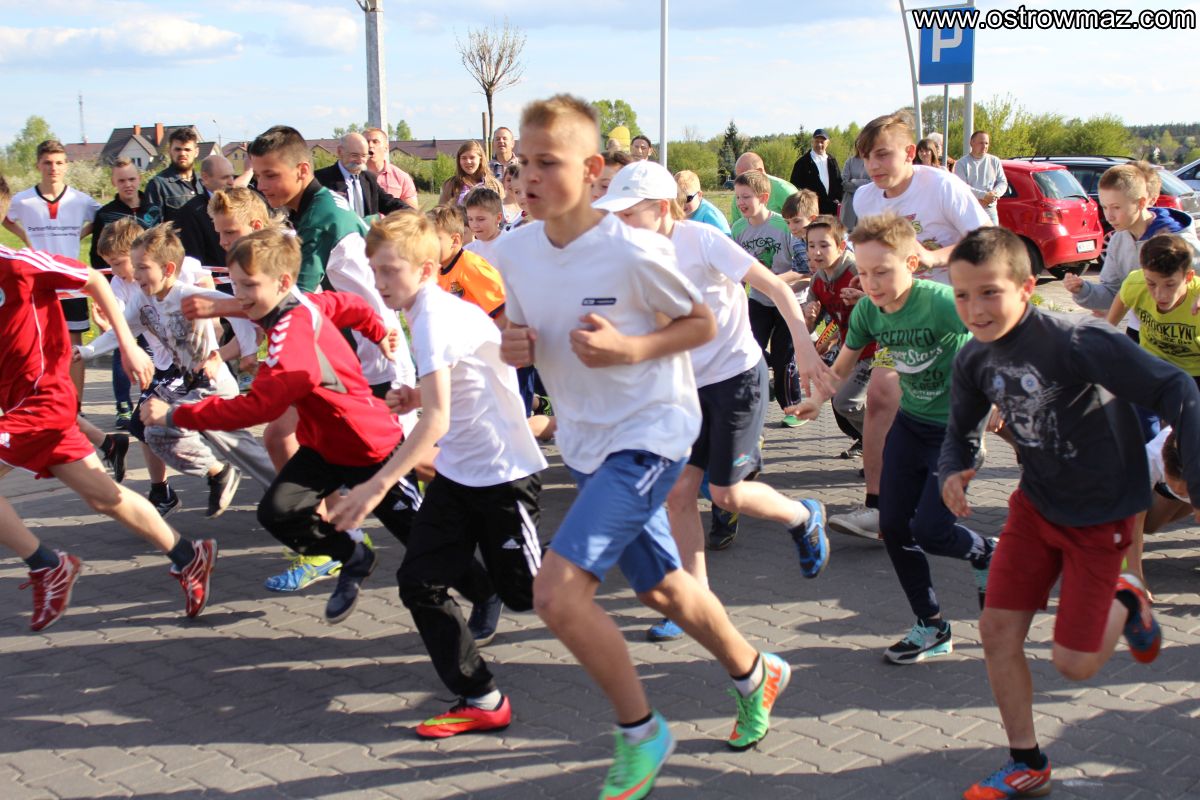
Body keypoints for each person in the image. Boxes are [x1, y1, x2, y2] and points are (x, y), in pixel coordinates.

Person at [495, 94, 796, 800]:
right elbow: (523, 334)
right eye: (522, 163)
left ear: (591, 170)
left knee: (557, 594)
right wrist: (515, 345)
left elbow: (698, 323)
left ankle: (641, 732)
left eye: (547, 162)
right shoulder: (513, 249)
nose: (529, 176)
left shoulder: (633, 249)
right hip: (586, 443)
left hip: (652, 433)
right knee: (663, 588)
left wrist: (630, 348)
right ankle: (756, 671)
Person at [939, 225, 1200, 800]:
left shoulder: (1079, 342)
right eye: (962, 295)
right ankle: (1027, 763)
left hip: (1102, 516)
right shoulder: (974, 359)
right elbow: (959, 431)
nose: (975, 310)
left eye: (989, 293)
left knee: (1075, 665)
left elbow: (1178, 387)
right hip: (1035, 507)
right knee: (996, 631)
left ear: (1026, 287)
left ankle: (1128, 595)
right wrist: (953, 469)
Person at [140, 228, 433, 623]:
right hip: (324, 446)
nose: (239, 294)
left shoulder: (294, 326)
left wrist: (176, 414)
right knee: (278, 511)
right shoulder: (294, 306)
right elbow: (349, 306)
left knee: (423, 543)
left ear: (280, 281)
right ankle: (352, 555)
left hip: (369, 445)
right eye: (235, 285)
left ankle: (483, 588)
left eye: (247, 285)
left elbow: (258, 406)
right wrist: (378, 332)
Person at [329, 211, 547, 737]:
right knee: (419, 583)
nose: (380, 283)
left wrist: (377, 484)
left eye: (390, 271)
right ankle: (482, 697)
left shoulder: (433, 318)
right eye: (374, 271)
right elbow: (460, 382)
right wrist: (417, 395)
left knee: (529, 596)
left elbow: (437, 422)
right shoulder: (426, 310)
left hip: (502, 473)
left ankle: (601, 546)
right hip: (457, 474)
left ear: (426, 269)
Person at [597, 158, 831, 641]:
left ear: (663, 208)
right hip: (685, 387)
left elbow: (774, 287)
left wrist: (804, 349)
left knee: (726, 494)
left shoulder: (702, 240)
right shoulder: (630, 256)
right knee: (678, 493)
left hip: (736, 377)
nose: (620, 222)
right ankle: (694, 601)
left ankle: (802, 515)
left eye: (629, 212)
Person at [0, 173, 217, 631]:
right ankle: (188, 555)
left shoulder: (19, 264)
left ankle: (47, 566)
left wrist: (129, 345)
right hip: (17, 403)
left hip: (44, 398)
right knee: (104, 497)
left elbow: (93, 282)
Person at [793, 212, 995, 665]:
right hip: (911, 426)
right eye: (864, 273)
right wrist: (817, 401)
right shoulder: (868, 310)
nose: (871, 283)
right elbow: (841, 367)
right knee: (895, 527)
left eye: (882, 272)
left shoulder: (943, 303)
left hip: (955, 432)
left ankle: (987, 552)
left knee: (931, 531)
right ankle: (931, 626)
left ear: (912, 263)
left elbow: (1000, 335)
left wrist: (998, 396)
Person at [830, 112, 992, 541]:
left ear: (909, 152)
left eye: (883, 154)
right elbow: (873, 253)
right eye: (867, 157)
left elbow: (988, 238)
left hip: (952, 313)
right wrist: (867, 284)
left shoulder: (940, 186)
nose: (874, 165)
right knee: (880, 396)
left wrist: (936, 257)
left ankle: (1038, 459)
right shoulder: (866, 199)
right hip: (901, 314)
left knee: (988, 406)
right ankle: (878, 508)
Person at [77, 224, 272, 517]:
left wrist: (244, 352)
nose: (136, 275)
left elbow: (243, 313)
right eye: (135, 267)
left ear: (168, 269)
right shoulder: (142, 300)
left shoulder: (190, 295)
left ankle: (276, 490)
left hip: (212, 384)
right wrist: (86, 351)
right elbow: (122, 331)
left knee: (233, 448)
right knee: (157, 430)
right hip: (187, 384)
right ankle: (225, 475)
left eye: (143, 268)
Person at [3, 139, 101, 400]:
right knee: (37, 345)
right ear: (38, 165)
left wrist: (78, 235)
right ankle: (42, 400)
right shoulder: (23, 200)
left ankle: (76, 406)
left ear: (67, 165)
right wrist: (25, 237)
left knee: (73, 347)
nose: (53, 168)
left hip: (71, 283)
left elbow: (101, 218)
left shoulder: (80, 200)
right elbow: (5, 218)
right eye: (47, 163)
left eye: (59, 163)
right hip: (37, 285)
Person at [732, 170, 806, 426]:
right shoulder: (738, 229)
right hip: (759, 301)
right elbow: (739, 271)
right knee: (749, 351)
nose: (740, 203)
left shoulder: (783, 226)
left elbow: (803, 269)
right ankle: (755, 400)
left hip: (789, 300)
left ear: (763, 198)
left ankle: (793, 409)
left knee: (785, 356)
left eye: (746, 197)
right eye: (737, 197)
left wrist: (773, 282)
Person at [804, 216, 875, 468]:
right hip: (848, 352)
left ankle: (881, 443)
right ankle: (874, 442)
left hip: (875, 350)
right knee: (839, 402)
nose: (817, 252)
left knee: (846, 402)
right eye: (811, 245)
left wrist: (864, 298)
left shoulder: (856, 271)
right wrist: (809, 317)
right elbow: (808, 327)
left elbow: (888, 304)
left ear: (841, 246)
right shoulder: (818, 281)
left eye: (824, 245)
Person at [1106, 233, 1200, 379]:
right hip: (1150, 366)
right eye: (1151, 284)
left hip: (1192, 374)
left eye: (1170, 285)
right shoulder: (1135, 284)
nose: (1160, 295)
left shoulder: (1196, 300)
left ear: (1188, 277)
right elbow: (1107, 327)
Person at [427, 204, 507, 326]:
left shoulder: (471, 266)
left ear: (455, 241)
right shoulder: (435, 270)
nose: (426, 246)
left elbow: (505, 311)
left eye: (433, 240)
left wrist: (488, 336)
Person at [313, 132, 409, 218]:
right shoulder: (319, 179)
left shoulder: (369, 179)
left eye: (364, 156)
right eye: (354, 155)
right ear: (340, 152)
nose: (359, 161)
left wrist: (412, 214)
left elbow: (388, 203)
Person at [88, 158, 153, 269]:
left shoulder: (155, 209)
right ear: (113, 182)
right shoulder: (105, 215)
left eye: (132, 179)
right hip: (119, 277)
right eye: (121, 181)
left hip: (151, 274)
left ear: (139, 179)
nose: (128, 184)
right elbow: (97, 255)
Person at [174, 154, 236, 268]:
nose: (231, 182)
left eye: (232, 176)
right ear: (205, 178)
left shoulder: (240, 203)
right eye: (225, 177)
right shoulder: (192, 211)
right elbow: (194, 257)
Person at [145, 127, 201, 223]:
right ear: (169, 151)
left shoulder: (204, 182)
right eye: (177, 149)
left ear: (196, 152)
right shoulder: (158, 185)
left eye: (187, 149)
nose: (182, 153)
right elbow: (152, 226)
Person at [727, 151, 799, 226]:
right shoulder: (739, 198)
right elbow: (736, 226)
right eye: (738, 177)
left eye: (745, 176)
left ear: (759, 171)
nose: (740, 181)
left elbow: (801, 223)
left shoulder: (783, 190)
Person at [954, 131, 1008, 225]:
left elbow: (1003, 182)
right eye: (981, 143)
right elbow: (962, 187)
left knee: (993, 234)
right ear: (972, 143)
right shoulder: (961, 163)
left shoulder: (994, 161)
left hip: (990, 210)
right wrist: (984, 196)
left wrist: (993, 195)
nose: (984, 146)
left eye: (986, 143)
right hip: (970, 210)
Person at [789, 129, 843, 216]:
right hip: (811, 210)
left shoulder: (832, 161)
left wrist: (839, 200)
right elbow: (794, 187)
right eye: (817, 141)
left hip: (831, 210)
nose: (819, 144)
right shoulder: (802, 162)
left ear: (828, 143)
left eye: (822, 142)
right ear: (812, 142)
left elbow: (839, 182)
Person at [364, 127, 419, 208]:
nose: (370, 145)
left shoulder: (402, 178)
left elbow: (412, 213)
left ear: (386, 148)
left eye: (375, 142)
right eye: (366, 142)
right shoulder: (352, 176)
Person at [439, 141, 503, 206]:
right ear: (459, 160)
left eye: (472, 157)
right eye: (464, 158)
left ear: (480, 159)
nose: (468, 161)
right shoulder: (450, 185)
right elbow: (441, 210)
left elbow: (502, 209)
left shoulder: (495, 186)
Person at [675, 169, 730, 235]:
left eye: (687, 199)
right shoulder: (673, 214)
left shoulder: (710, 216)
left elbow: (725, 238)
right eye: (677, 199)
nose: (681, 204)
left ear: (699, 195)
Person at [781, 189, 820, 278]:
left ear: (813, 219)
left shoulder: (830, 239)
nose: (792, 227)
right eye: (788, 222)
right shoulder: (797, 245)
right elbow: (803, 274)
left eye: (797, 221)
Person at [463, 187, 505, 265]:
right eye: (470, 219)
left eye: (481, 219)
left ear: (498, 218)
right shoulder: (468, 251)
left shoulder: (511, 245)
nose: (474, 225)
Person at [839, 154, 870, 231]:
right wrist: (865, 185)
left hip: (867, 203)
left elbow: (874, 183)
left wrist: (854, 181)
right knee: (845, 232)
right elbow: (844, 183)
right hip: (849, 204)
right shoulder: (850, 161)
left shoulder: (873, 162)